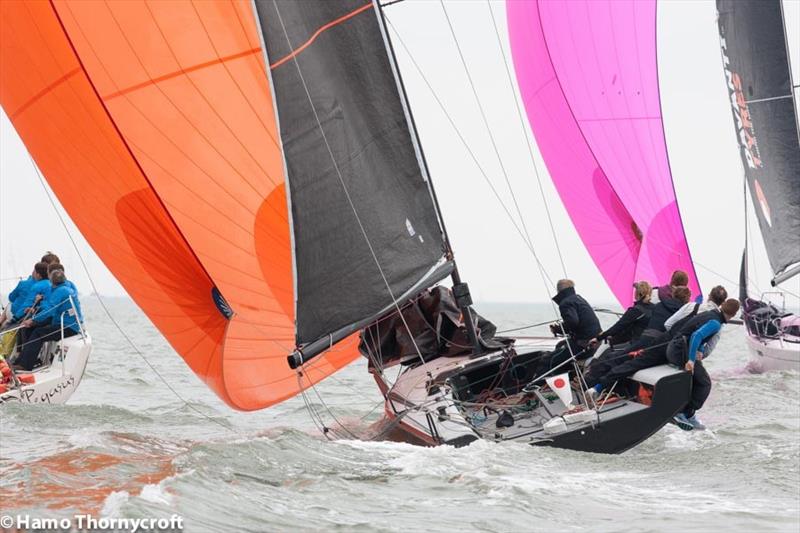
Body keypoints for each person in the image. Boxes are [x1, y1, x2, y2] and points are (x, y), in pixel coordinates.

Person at [584, 286, 692, 389]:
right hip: (660, 345)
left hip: (645, 339)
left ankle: (588, 382)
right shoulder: (682, 312)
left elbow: (623, 326)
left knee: (617, 358)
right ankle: (598, 386)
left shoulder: (659, 306)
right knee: (629, 364)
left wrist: (600, 337)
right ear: (687, 299)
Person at [666, 298, 740, 430]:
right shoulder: (716, 323)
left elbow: (694, 330)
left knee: (695, 380)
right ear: (733, 314)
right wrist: (691, 360)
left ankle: (684, 412)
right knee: (705, 383)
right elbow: (696, 335)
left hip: (674, 348)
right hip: (680, 352)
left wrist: (699, 351)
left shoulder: (710, 314)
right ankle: (685, 413)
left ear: (722, 306)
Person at [584, 281, 654, 387]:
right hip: (650, 344)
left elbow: (617, 327)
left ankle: (587, 384)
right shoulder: (655, 308)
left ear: (637, 294)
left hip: (637, 345)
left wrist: (598, 338)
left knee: (607, 358)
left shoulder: (635, 311)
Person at [14, 270, 83, 371]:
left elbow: (50, 310)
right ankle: (21, 361)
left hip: (68, 327)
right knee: (33, 329)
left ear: (52, 281)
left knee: (38, 333)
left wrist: (33, 320)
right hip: (68, 324)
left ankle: (25, 365)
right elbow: (51, 305)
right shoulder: (65, 288)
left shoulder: (60, 291)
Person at [539, 279, 601, 375]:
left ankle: (538, 385)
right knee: (559, 345)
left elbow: (573, 322)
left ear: (559, 291)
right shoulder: (579, 298)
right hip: (597, 342)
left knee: (547, 360)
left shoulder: (565, 303)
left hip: (584, 345)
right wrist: (561, 328)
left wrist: (557, 329)